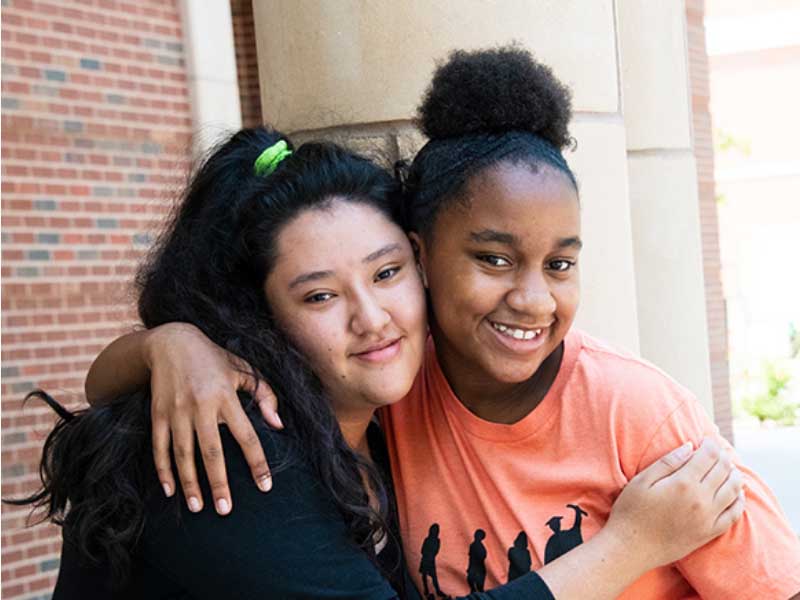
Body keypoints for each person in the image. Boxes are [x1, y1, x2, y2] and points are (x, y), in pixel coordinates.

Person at [81, 46, 796, 599]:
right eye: (320, 296)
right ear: (257, 313)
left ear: (413, 267)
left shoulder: (624, 410)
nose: (373, 319)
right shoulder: (242, 443)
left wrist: (161, 346)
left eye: (385, 273)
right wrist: (628, 546)